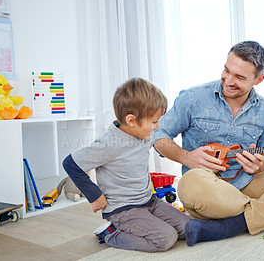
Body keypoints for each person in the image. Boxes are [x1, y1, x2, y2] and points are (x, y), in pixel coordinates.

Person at [153, 41, 264, 246]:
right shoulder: (193, 98)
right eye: (227, 71)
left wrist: (259, 165)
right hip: (207, 186)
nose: (228, 80)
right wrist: (187, 156)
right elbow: (158, 135)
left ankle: (234, 223)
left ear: (259, 79)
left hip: (248, 184)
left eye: (239, 77)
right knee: (190, 184)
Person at [62, 78, 190, 252]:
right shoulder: (110, 144)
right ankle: (111, 233)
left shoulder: (146, 134)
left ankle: (144, 223)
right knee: (165, 239)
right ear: (131, 120)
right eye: (153, 122)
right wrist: (94, 195)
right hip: (123, 209)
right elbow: (71, 164)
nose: (158, 126)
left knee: (187, 228)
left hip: (148, 201)